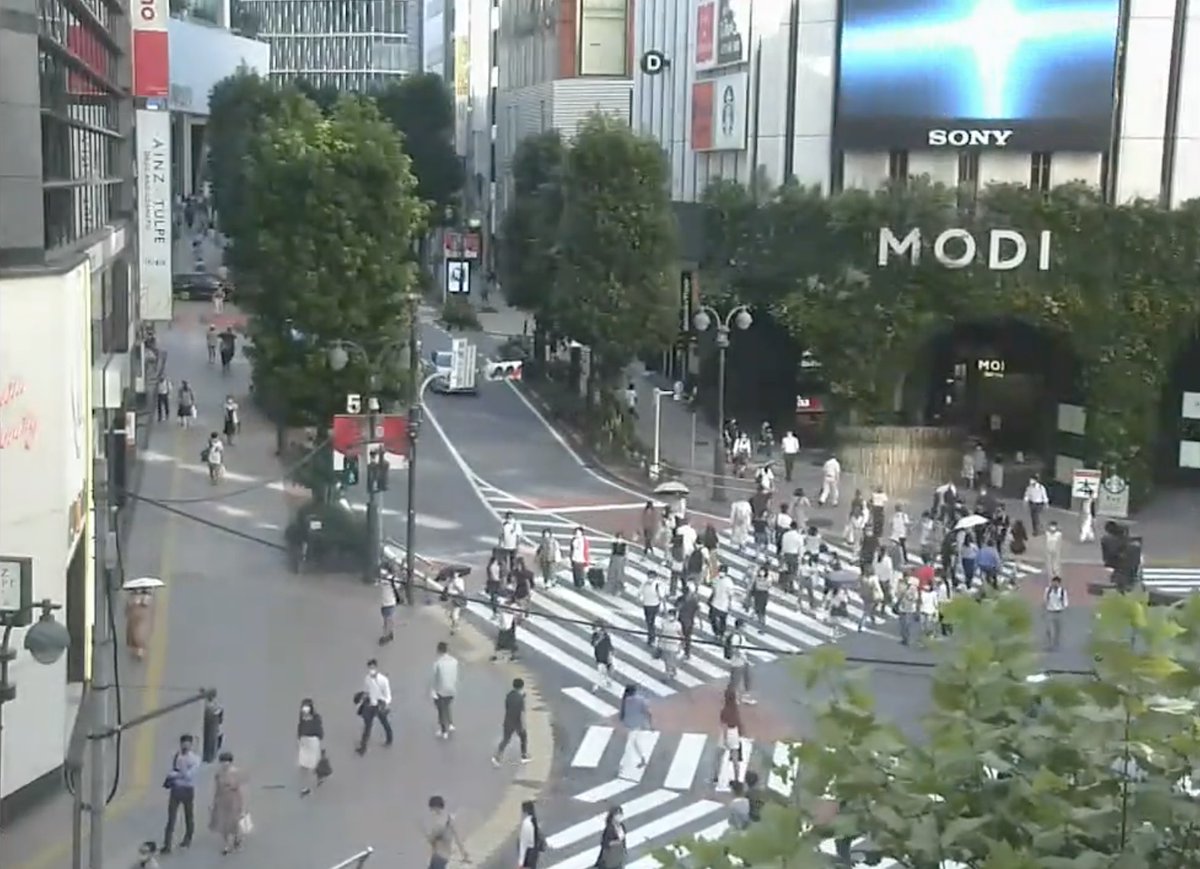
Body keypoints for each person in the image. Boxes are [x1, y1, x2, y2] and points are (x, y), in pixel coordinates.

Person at [161, 734, 200, 853]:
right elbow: (173, 770)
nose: (185, 745)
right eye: (183, 743)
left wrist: (177, 773)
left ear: (191, 745)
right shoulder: (177, 756)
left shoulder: (195, 759)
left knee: (188, 816)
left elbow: (188, 776)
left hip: (187, 790)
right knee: (171, 818)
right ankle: (167, 844)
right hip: (176, 790)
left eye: (187, 743)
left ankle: (187, 839)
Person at [209, 751, 247, 854]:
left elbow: (240, 788)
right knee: (223, 823)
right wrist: (214, 801)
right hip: (222, 799)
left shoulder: (236, 773)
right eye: (222, 762)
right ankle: (227, 844)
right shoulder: (218, 774)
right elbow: (217, 788)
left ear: (230, 762)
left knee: (234, 821)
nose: (224, 764)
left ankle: (237, 838)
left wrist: (242, 804)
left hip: (234, 799)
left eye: (227, 762)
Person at [355, 658, 393, 754]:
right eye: (369, 668)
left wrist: (384, 703)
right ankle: (363, 747)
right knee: (367, 727)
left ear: (376, 667)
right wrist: (362, 698)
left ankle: (389, 739)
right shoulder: (367, 679)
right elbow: (366, 691)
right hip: (371, 705)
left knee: (385, 723)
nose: (371, 670)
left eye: (372, 668)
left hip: (379, 706)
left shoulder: (383, 680)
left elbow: (388, 696)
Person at [492, 677, 531, 766]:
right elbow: (521, 712)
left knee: (506, 739)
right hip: (517, 722)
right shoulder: (521, 699)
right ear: (522, 687)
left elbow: (508, 706)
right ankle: (524, 756)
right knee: (523, 737)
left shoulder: (509, 695)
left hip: (508, 721)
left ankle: (497, 757)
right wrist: (523, 725)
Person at [425, 795, 469, 869]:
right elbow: (457, 838)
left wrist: (428, 838)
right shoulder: (449, 819)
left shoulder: (439, 823)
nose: (431, 811)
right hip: (445, 856)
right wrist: (464, 853)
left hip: (438, 857)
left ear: (436, 808)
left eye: (432, 809)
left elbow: (431, 838)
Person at [619, 684, 653, 773]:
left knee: (629, 745)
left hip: (631, 725)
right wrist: (650, 724)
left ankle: (623, 766)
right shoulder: (640, 700)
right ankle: (642, 759)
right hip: (637, 725)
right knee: (634, 743)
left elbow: (622, 714)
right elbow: (648, 712)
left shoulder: (625, 700)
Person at [431, 641, 459, 739]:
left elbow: (434, 679)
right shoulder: (455, 661)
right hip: (452, 690)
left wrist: (433, 691)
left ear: (439, 650)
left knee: (441, 710)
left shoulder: (437, 663)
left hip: (441, 690)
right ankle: (450, 724)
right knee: (447, 706)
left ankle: (444, 731)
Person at [296, 699, 324, 796]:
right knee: (304, 766)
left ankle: (318, 775)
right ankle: (306, 787)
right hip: (305, 743)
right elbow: (300, 727)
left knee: (311, 764)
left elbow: (319, 731)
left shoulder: (315, 718)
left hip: (312, 743)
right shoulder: (303, 718)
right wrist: (299, 738)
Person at [125, 589, 152, 660]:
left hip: (137, 614)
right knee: (137, 632)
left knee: (137, 632)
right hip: (138, 614)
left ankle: (139, 651)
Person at [516, 800, 544, 868]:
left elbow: (524, 844)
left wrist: (521, 862)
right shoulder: (533, 820)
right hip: (534, 852)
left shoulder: (526, 824)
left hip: (529, 853)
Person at [1044, 576, 1068, 650]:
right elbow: (1045, 599)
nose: (1055, 584)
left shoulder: (1062, 591)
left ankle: (1056, 642)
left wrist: (1063, 607)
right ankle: (1050, 644)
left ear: (1059, 583)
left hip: (1059, 612)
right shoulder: (1048, 590)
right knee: (1049, 629)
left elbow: (1065, 602)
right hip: (1050, 611)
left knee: (1057, 629)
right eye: (1053, 582)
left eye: (1056, 582)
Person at [639, 571, 663, 645]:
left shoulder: (658, 585)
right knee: (649, 622)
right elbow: (640, 592)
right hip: (646, 605)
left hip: (654, 605)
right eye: (649, 577)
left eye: (652, 577)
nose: (650, 579)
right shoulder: (644, 584)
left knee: (650, 621)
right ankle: (651, 636)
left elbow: (661, 596)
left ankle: (651, 637)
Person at [590, 623, 614, 692]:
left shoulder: (606, 636)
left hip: (607, 655)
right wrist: (600, 638)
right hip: (600, 656)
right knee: (600, 672)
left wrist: (611, 652)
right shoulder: (595, 636)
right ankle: (595, 687)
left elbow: (609, 645)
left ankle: (608, 681)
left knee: (609, 669)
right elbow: (593, 644)